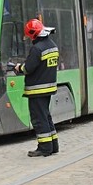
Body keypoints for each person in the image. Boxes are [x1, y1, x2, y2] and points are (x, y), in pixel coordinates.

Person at [13, 18, 60, 157]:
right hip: (49, 88)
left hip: (37, 89)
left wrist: (18, 68)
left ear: (33, 34)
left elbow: (28, 68)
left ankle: (44, 147)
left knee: (39, 119)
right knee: (46, 117)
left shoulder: (37, 48)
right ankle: (53, 145)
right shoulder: (52, 45)